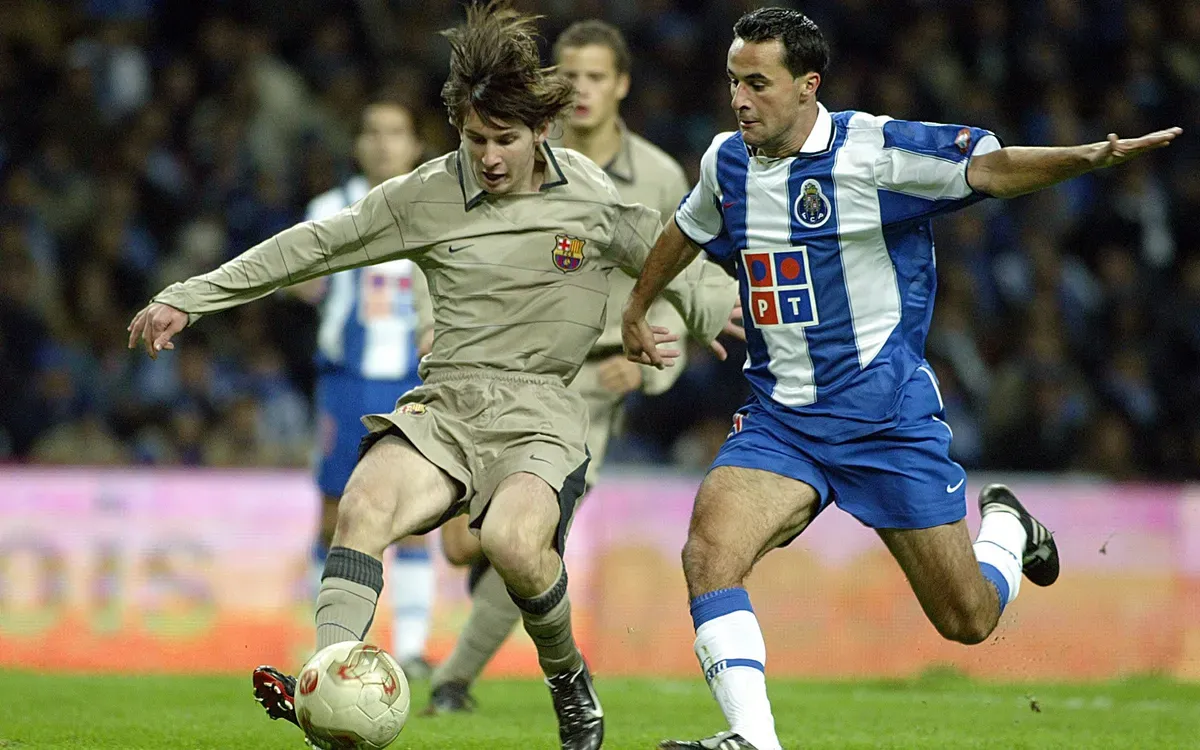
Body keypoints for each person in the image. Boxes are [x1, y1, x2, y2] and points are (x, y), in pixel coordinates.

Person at [126, 3, 738, 748]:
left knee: (515, 544)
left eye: (504, 139)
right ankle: (326, 680)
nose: (486, 155)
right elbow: (314, 246)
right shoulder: (426, 195)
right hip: (446, 402)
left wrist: (715, 308)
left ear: (542, 131)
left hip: (544, 410)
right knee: (363, 505)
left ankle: (568, 680)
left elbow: (666, 249)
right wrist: (189, 296)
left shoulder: (590, 196)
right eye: (473, 137)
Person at [619, 8, 1182, 750]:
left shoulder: (873, 151)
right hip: (782, 421)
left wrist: (1085, 158)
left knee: (968, 619)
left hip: (885, 421)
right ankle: (754, 741)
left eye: (758, 83)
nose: (740, 99)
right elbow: (687, 228)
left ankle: (1007, 528)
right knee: (708, 554)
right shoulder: (727, 161)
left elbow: (989, 167)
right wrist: (637, 305)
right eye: (733, 81)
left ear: (806, 87)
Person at [424, 18, 695, 715]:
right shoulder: (519, 151)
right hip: (492, 364)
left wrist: (648, 367)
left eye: (597, 76)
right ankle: (476, 545)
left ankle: (451, 681)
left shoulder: (660, 176)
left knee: (528, 540)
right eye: (568, 75)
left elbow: (673, 274)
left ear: (622, 85)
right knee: (466, 546)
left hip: (594, 382)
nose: (580, 89)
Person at [297, 96, 437, 679]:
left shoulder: (436, 207)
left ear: (415, 145)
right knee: (333, 509)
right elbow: (296, 276)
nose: (383, 143)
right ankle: (326, 647)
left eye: (396, 132)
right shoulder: (329, 207)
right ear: (358, 144)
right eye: (372, 132)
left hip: (413, 381)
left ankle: (410, 650)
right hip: (346, 381)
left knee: (411, 514)